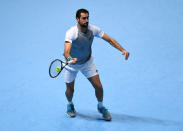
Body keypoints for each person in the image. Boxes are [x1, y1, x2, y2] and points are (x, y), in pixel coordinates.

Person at [64, 8, 129, 121]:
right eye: (84, 18)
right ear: (77, 19)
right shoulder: (71, 33)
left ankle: (101, 107)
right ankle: (70, 105)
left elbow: (110, 40)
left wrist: (122, 50)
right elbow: (66, 52)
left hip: (87, 63)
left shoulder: (93, 29)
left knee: (99, 87)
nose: (86, 20)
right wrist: (70, 59)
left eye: (88, 18)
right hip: (71, 65)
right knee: (70, 91)